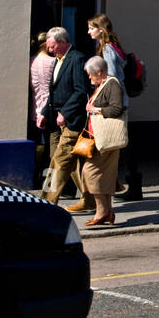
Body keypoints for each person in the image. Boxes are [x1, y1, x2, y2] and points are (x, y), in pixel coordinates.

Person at [88, 13, 141, 201]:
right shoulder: (113, 47)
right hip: (120, 98)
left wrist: (102, 100)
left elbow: (110, 77)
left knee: (120, 142)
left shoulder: (108, 49)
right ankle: (129, 184)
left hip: (114, 101)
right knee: (122, 142)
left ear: (101, 29)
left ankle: (132, 185)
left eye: (91, 28)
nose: (88, 32)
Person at [42, 27, 96, 213]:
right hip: (55, 121)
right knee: (71, 165)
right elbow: (55, 91)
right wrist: (44, 112)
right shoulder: (58, 60)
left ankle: (47, 201)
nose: (50, 51)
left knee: (59, 161)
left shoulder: (77, 59)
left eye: (53, 46)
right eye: (49, 47)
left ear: (64, 42)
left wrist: (65, 112)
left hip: (71, 121)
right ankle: (89, 198)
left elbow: (80, 91)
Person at [81, 56, 125, 227]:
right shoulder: (102, 85)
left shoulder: (112, 84)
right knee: (104, 176)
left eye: (90, 75)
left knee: (90, 172)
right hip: (97, 139)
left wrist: (95, 109)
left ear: (99, 72)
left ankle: (102, 211)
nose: (89, 78)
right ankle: (107, 211)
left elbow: (117, 108)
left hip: (106, 140)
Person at [29, 32, 53, 181]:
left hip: (34, 109)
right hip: (49, 110)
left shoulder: (31, 61)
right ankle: (50, 183)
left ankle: (36, 178)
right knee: (51, 151)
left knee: (37, 147)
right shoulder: (52, 62)